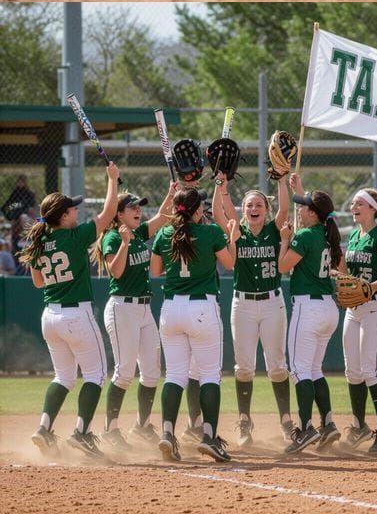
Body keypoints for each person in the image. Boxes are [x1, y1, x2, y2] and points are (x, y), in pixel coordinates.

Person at [22, 161, 120, 456]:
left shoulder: (40, 242)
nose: (77, 211)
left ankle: (44, 428)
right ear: (63, 217)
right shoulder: (74, 236)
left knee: (63, 377)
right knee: (95, 375)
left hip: (50, 315)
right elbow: (108, 215)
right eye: (73, 209)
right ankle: (81, 433)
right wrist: (112, 180)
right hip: (76, 314)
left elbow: (39, 283)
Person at [150, 186, 237, 462]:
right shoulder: (210, 232)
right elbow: (230, 263)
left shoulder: (165, 232)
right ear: (197, 210)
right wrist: (232, 237)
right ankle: (209, 437)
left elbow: (155, 271)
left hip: (170, 308)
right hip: (202, 307)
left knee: (175, 374)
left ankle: (167, 433)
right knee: (210, 374)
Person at [211, 172, 294, 448]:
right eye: (249, 206)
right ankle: (245, 421)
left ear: (265, 210)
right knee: (244, 367)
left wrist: (281, 180)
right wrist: (222, 187)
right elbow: (222, 213)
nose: (254, 209)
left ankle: (286, 422)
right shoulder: (237, 230)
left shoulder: (274, 229)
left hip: (272, 303)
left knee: (277, 367)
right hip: (243, 304)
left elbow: (284, 208)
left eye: (258, 205)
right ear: (243, 210)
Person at [95, 187, 173, 448]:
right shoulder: (113, 239)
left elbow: (163, 216)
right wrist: (125, 243)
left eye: (139, 206)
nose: (139, 210)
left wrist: (171, 192)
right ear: (118, 215)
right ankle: (110, 429)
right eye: (133, 207)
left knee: (151, 372)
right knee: (125, 371)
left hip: (143, 309)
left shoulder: (138, 233)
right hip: (122, 308)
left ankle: (140, 426)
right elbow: (115, 273)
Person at [278, 172, 343, 452]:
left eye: (304, 206)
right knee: (315, 369)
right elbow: (342, 269)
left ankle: (305, 429)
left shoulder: (305, 235)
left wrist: (285, 240)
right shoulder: (328, 232)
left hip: (308, 306)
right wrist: (301, 191)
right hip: (328, 306)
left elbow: (283, 267)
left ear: (314, 213)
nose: (300, 209)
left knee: (299, 369)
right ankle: (327, 424)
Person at [341, 188, 377, 452]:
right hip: (354, 309)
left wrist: (370, 287)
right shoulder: (354, 235)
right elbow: (347, 271)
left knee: (370, 369)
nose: (354, 206)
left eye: (359, 203)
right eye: (353, 203)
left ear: (373, 208)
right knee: (352, 370)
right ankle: (358, 426)